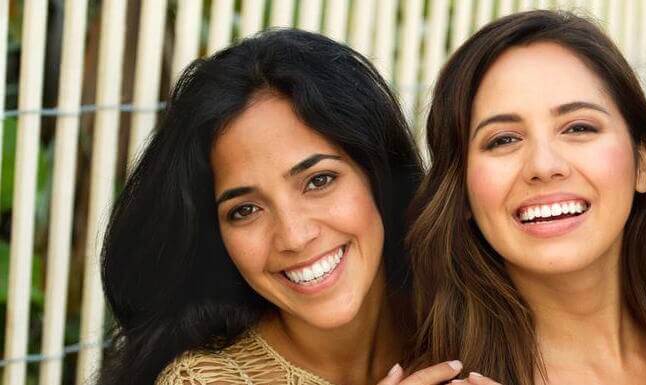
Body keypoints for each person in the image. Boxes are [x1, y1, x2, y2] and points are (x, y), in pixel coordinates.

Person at [99, 29, 490, 385]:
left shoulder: (479, 326)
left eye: (318, 181)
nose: (294, 236)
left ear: (379, 175)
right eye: (245, 210)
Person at [407, 10, 646, 385]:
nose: (544, 165)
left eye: (579, 127)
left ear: (641, 163)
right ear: (461, 191)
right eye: (503, 140)